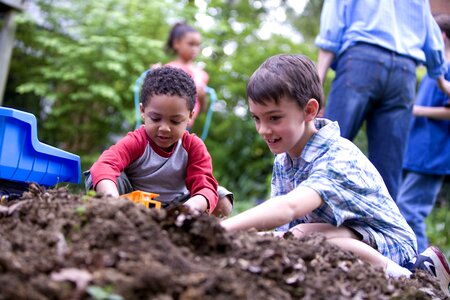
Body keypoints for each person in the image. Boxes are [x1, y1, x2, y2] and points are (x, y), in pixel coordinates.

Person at [220, 54, 450, 296]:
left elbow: (288, 207)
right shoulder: (284, 160)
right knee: (297, 236)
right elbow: (285, 229)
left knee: (306, 236)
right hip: (340, 235)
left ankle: (414, 282)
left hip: (390, 244)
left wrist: (223, 230)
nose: (263, 130)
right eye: (256, 118)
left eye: (274, 118)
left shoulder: (337, 155)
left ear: (309, 110)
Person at [315, 0, 450, 201]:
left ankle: (303, 223)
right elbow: (430, 32)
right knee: (388, 171)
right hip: (404, 73)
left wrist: (317, 84)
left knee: (326, 150)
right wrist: (441, 79)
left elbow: (331, 30)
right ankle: (384, 231)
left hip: (361, 61)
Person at [87, 66, 232, 218]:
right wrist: (113, 200)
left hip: (178, 206)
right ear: (143, 111)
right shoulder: (137, 141)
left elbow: (205, 186)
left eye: (175, 121)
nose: (164, 128)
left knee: (221, 197)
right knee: (98, 175)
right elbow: (105, 164)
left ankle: (203, 232)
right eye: (156, 119)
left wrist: (190, 207)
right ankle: (108, 217)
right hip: (134, 206)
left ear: (190, 116)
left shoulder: (192, 146)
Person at [397, 14, 450, 254]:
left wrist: (415, 110)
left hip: (433, 153)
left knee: (410, 211)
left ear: (440, 37)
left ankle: (423, 271)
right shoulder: (436, 71)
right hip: (420, 151)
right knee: (405, 208)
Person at [164, 22, 209, 130]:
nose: (195, 48)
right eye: (191, 44)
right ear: (176, 44)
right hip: (167, 121)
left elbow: (202, 108)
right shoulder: (170, 68)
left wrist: (202, 96)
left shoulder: (202, 74)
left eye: (197, 45)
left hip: (186, 124)